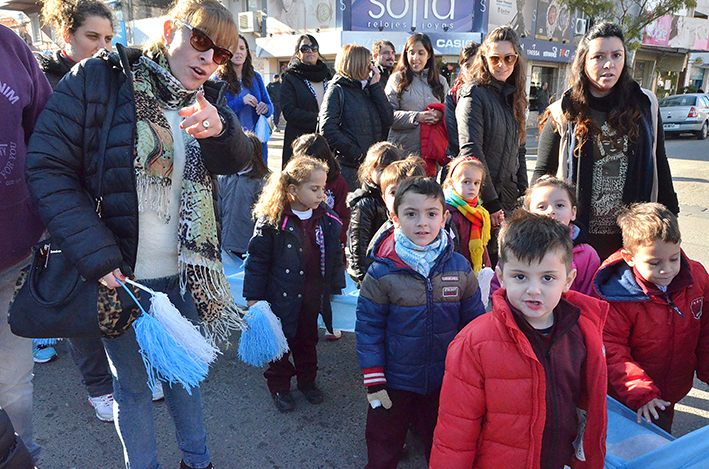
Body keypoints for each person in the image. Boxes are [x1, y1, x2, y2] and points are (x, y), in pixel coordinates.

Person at [25, 0, 254, 466]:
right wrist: (95, 252)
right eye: (201, 40)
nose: (209, 57)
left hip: (186, 276)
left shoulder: (203, 102)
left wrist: (226, 130)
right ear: (171, 29)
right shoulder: (100, 79)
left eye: (223, 54)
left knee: (184, 377)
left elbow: (242, 163)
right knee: (130, 388)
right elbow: (47, 167)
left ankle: (199, 461)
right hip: (121, 276)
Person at [430, 210, 608, 469]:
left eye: (548, 278)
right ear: (501, 277)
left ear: (568, 280)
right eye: (520, 276)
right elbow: (455, 430)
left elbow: (589, 410)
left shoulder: (583, 332)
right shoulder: (474, 343)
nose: (533, 289)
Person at [356, 176, 485, 469]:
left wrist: (477, 373)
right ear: (395, 218)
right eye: (411, 214)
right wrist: (373, 377)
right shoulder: (381, 272)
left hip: (443, 378)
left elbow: (475, 326)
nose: (422, 223)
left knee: (440, 439)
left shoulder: (460, 267)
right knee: (384, 438)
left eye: (431, 213)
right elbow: (369, 328)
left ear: (445, 216)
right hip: (394, 380)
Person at [35, 0, 123, 422]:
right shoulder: (45, 79)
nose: (103, 46)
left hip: (111, 207)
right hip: (66, 210)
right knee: (79, 299)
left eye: (108, 38)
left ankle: (127, 374)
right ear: (66, 35)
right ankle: (98, 387)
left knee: (117, 292)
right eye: (93, 36)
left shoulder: (114, 77)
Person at [534, 22, 678, 261]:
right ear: (584, 61)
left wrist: (670, 213)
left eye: (616, 55)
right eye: (599, 56)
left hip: (634, 234)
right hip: (576, 236)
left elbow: (659, 159)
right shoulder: (563, 110)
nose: (608, 64)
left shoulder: (646, 104)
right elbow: (542, 173)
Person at [594, 203, 709, 433]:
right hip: (629, 396)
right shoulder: (618, 296)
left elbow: (706, 331)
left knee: (662, 435)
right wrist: (641, 393)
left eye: (674, 259)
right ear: (629, 257)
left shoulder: (697, 278)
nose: (666, 270)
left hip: (672, 389)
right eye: (654, 263)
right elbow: (613, 351)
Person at [243, 156, 345, 413]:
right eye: (314, 188)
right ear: (292, 190)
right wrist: (253, 297)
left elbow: (334, 257)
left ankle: (307, 382)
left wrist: (334, 287)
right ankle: (280, 387)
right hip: (280, 298)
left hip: (310, 298)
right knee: (280, 346)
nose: (321, 194)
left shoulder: (327, 219)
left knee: (307, 343)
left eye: (323, 188)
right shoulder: (273, 221)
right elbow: (257, 261)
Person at [0, 22, 51, 465]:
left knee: (14, 381)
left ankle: (20, 458)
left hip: (11, 255)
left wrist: (39, 210)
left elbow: (45, 138)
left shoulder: (10, 46)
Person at [456, 25, 529, 266]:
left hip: (509, 199)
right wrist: (492, 201)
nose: (502, 64)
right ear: (485, 59)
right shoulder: (473, 94)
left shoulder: (513, 96)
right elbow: (471, 151)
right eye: (495, 58)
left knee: (506, 267)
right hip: (481, 201)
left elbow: (520, 149)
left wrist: (524, 193)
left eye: (508, 58)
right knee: (480, 269)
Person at [319, 43, 394, 190]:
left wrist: (375, 87)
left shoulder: (368, 88)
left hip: (371, 166)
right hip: (349, 168)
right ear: (357, 65)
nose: (371, 68)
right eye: (368, 64)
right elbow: (328, 129)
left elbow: (388, 118)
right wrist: (357, 154)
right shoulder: (337, 89)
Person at [346, 142, 404, 286]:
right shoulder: (365, 203)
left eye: (389, 169)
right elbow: (358, 248)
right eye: (380, 170)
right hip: (371, 272)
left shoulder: (402, 196)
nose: (386, 175)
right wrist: (363, 279)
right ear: (368, 170)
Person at [385, 33, 449, 158]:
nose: (415, 58)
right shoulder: (397, 79)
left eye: (421, 53)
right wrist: (416, 117)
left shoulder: (440, 81)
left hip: (433, 152)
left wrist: (439, 115)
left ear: (429, 55)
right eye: (411, 52)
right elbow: (387, 115)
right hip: (402, 153)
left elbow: (451, 112)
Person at [216, 34, 273, 160]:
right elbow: (218, 112)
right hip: (231, 143)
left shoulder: (256, 77)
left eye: (242, 48)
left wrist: (266, 108)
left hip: (256, 143)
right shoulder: (218, 79)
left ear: (247, 53)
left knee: (257, 177)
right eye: (234, 49)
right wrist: (241, 102)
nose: (238, 53)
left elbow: (269, 106)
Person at [280, 34, 332, 168]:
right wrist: (320, 119)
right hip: (300, 141)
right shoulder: (290, 77)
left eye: (314, 47)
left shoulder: (328, 75)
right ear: (298, 53)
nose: (310, 51)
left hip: (326, 140)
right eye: (305, 48)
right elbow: (289, 111)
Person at [291, 133, 351, 249]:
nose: (320, 195)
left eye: (322, 188)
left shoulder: (338, 183)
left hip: (328, 243)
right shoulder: (293, 181)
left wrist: (335, 238)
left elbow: (344, 216)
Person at [218, 132, 270, 259]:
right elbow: (217, 210)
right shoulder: (225, 176)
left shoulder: (262, 182)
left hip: (246, 249)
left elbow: (264, 218)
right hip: (222, 245)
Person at [442, 156, 491, 274]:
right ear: (451, 183)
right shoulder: (448, 211)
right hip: (457, 269)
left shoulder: (479, 210)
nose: (472, 187)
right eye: (466, 182)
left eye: (476, 183)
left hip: (479, 267)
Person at [445, 41, 479, 161]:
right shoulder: (453, 94)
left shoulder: (490, 92)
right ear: (462, 68)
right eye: (468, 66)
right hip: (459, 158)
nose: (472, 70)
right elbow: (453, 132)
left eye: (476, 65)